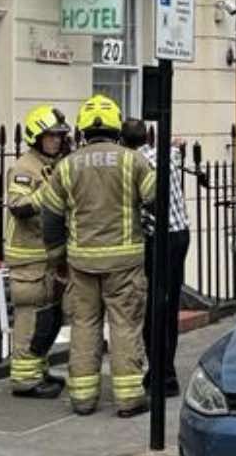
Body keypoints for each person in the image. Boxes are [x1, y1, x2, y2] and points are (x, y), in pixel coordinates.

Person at [37, 96, 156, 416]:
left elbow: (50, 217)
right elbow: (154, 200)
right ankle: (129, 398)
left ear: (82, 130)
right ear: (116, 126)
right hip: (125, 263)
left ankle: (83, 398)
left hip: (81, 262)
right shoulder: (133, 161)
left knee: (84, 325)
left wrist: (58, 257)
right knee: (125, 325)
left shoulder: (66, 165)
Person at [5, 104, 71, 398]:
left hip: (48, 254)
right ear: (37, 137)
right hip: (28, 256)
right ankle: (24, 379)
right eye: (51, 136)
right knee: (30, 317)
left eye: (59, 135)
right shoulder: (24, 167)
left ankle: (38, 368)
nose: (57, 140)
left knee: (48, 315)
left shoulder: (55, 164)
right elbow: (18, 207)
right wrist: (50, 190)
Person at [121, 118, 189, 398]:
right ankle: (168, 371)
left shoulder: (133, 163)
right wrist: (175, 143)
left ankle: (160, 373)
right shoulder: (167, 155)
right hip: (181, 234)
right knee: (169, 306)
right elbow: (178, 147)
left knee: (152, 308)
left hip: (157, 239)